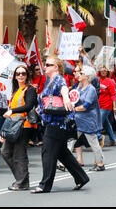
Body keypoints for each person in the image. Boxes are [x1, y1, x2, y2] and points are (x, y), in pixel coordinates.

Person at [31, 56, 89, 193]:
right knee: (62, 153)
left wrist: (66, 97)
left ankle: (45, 185)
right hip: (54, 121)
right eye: (45, 64)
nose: (45, 67)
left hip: (57, 122)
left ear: (56, 67)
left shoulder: (58, 79)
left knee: (48, 152)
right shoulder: (48, 80)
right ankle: (81, 177)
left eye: (48, 64)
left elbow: (63, 88)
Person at [0, 65, 37, 191]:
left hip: (24, 126)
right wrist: (3, 133)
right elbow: (10, 113)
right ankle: (23, 179)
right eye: (18, 74)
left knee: (19, 155)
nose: (20, 76)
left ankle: (21, 182)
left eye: (23, 73)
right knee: (5, 152)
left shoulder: (30, 89)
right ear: (15, 76)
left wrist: (12, 111)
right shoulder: (15, 90)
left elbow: (29, 105)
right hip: (12, 126)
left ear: (27, 75)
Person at [72, 65, 105, 171]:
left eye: (81, 73)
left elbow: (86, 106)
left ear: (87, 76)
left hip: (88, 119)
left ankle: (100, 163)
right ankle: (64, 163)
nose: (78, 75)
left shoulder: (91, 89)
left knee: (93, 142)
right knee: (71, 140)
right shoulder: (79, 87)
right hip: (78, 119)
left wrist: (74, 109)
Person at [98, 65, 116, 147]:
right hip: (99, 105)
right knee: (106, 124)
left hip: (106, 105)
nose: (104, 72)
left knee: (99, 123)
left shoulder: (110, 81)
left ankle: (98, 139)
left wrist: (114, 106)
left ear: (107, 72)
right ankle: (113, 140)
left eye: (105, 71)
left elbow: (113, 95)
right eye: (102, 70)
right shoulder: (97, 80)